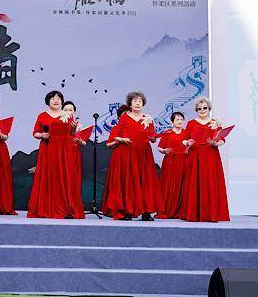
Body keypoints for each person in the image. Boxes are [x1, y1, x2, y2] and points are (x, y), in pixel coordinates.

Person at [101, 91, 162, 221]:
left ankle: (146, 212)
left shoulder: (147, 118)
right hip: (128, 151)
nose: (137, 103)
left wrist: (151, 134)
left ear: (143, 103)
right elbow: (116, 136)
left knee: (145, 182)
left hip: (144, 153)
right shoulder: (124, 117)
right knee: (129, 182)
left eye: (140, 101)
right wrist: (123, 139)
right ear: (130, 104)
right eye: (135, 101)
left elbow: (152, 138)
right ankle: (127, 211)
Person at [27, 90, 84, 219]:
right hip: (48, 149)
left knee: (63, 177)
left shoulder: (67, 115)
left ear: (62, 101)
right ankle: (46, 208)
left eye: (58, 98)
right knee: (48, 176)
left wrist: (73, 128)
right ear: (48, 101)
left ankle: (65, 208)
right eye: (53, 98)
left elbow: (72, 134)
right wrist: (42, 135)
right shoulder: (42, 115)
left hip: (64, 150)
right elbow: (35, 132)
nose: (56, 101)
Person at [181, 97, 229, 222]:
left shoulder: (215, 123)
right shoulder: (191, 123)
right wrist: (187, 142)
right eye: (199, 109)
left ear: (209, 109)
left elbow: (222, 139)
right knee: (194, 182)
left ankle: (211, 214)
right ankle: (194, 213)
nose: (202, 110)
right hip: (195, 155)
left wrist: (216, 143)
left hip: (210, 155)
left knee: (210, 182)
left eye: (205, 108)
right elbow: (184, 139)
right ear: (196, 110)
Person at [156, 111, 189, 219]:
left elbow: (191, 145)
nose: (179, 121)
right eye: (177, 119)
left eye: (181, 119)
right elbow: (160, 147)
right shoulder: (167, 133)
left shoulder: (187, 133)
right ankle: (167, 209)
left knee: (182, 185)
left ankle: (181, 211)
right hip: (170, 161)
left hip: (184, 161)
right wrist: (164, 150)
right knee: (169, 185)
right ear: (172, 121)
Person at [62, 101, 86, 203]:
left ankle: (72, 202)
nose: (68, 111)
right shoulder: (59, 124)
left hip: (74, 153)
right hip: (62, 153)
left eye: (71, 110)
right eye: (65, 110)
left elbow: (84, 143)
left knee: (73, 177)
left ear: (74, 112)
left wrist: (80, 141)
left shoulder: (78, 125)